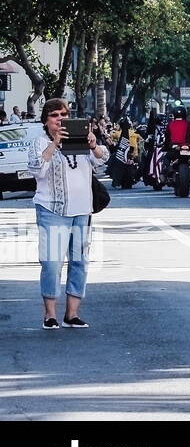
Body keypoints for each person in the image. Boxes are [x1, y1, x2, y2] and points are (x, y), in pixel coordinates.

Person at [29, 98, 109, 329]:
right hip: (52, 208)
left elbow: (103, 160)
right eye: (54, 115)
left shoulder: (82, 140)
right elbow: (36, 168)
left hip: (82, 209)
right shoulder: (40, 142)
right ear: (46, 120)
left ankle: (72, 314)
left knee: (79, 261)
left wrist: (93, 144)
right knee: (52, 262)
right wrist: (54, 143)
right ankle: (50, 314)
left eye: (64, 114)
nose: (60, 119)